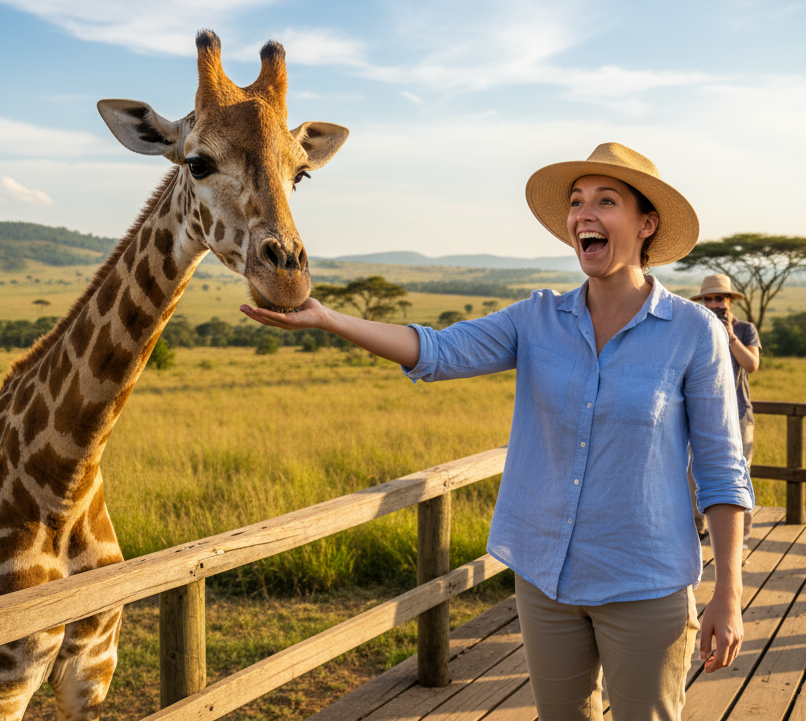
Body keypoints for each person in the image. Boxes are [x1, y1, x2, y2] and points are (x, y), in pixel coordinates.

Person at [242, 142, 753, 721]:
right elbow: (435, 351)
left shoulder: (694, 332)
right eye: (577, 201)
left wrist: (728, 593)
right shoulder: (535, 319)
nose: (585, 213)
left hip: (645, 584)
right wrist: (327, 318)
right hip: (545, 579)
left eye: (606, 201)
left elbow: (721, 471)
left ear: (646, 224)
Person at [688, 275, 760, 542]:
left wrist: (730, 336)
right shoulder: (697, 330)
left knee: (739, 475)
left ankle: (739, 540)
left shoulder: (745, 330)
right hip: (699, 412)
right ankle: (698, 530)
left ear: (730, 301)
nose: (714, 304)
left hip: (739, 413)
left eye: (719, 298)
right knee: (692, 474)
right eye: (708, 299)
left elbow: (751, 364)